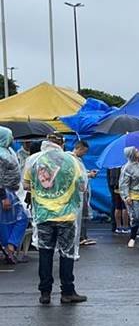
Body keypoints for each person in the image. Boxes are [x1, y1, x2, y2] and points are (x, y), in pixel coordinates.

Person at [22, 134, 88, 304]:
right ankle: (67, 291)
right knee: (66, 253)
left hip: (43, 215)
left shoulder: (33, 160)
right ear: (61, 143)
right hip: (66, 215)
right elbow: (83, 185)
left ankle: (45, 292)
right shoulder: (71, 160)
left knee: (45, 253)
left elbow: (26, 185)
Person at [0, 126, 27, 264]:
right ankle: (9, 248)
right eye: (9, 136)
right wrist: (3, 197)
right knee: (9, 221)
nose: (12, 139)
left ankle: (9, 247)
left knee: (16, 219)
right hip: (4, 192)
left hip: (11, 191)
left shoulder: (7, 151)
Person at [72, 140, 98, 246]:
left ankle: (83, 235)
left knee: (83, 214)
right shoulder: (72, 160)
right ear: (79, 148)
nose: (84, 154)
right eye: (84, 151)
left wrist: (87, 173)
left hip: (82, 191)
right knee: (80, 214)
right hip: (77, 193)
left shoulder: (77, 160)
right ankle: (80, 237)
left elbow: (81, 173)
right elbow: (76, 175)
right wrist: (89, 175)